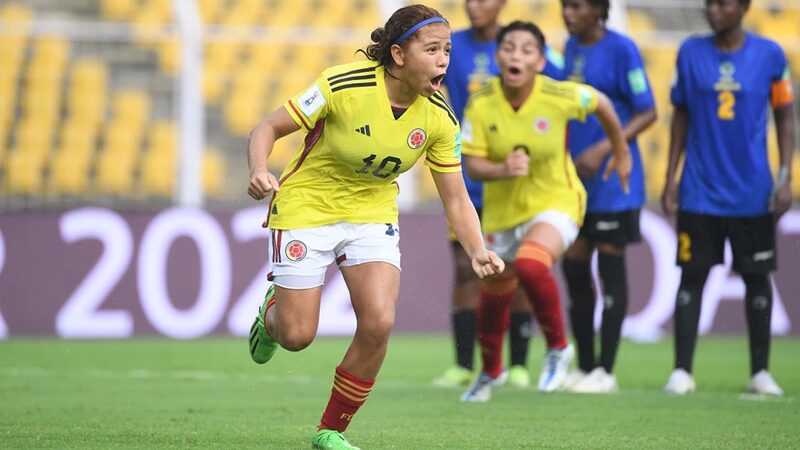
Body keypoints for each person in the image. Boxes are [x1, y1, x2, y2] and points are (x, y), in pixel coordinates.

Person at [246, 5, 505, 448]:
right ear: (399, 55)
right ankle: (272, 314)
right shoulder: (341, 85)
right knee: (297, 336)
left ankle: (330, 431)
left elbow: (456, 197)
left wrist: (477, 249)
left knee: (379, 322)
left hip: (372, 215)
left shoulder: (440, 118)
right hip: (307, 207)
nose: (443, 60)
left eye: (447, 50)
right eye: (432, 50)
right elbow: (267, 127)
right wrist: (258, 169)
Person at [458, 20, 631, 402]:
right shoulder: (481, 102)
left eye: (527, 50)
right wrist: (502, 169)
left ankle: (558, 348)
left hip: (557, 200)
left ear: (539, 61)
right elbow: (473, 165)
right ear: (498, 56)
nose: (516, 55)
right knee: (494, 296)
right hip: (503, 212)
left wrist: (620, 152)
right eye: (509, 48)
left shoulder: (558, 94)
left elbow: (602, 104)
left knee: (532, 265)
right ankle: (490, 371)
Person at [661, 0, 794, 396]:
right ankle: (682, 372)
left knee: (757, 278)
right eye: (710, 3)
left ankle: (760, 373)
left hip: (752, 191)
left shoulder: (770, 55)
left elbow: (785, 115)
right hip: (699, 189)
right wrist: (670, 176)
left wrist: (785, 175)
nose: (713, 10)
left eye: (723, 4)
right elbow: (680, 114)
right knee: (692, 276)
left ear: (744, 7)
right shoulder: (690, 52)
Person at [434, 0, 566, 390]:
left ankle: (519, 364)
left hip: (516, 184)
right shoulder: (451, 47)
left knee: (517, 271)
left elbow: (556, 93)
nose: (475, 6)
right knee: (465, 268)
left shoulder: (520, 47)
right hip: (467, 178)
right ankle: (463, 364)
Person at [558, 0, 657, 393]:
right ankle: (585, 366)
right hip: (576, 183)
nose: (568, 13)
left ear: (599, 9)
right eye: (565, 6)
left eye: (577, 6)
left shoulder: (622, 49)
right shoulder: (570, 48)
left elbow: (647, 112)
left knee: (610, 269)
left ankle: (606, 370)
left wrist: (603, 148)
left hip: (613, 180)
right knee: (574, 268)